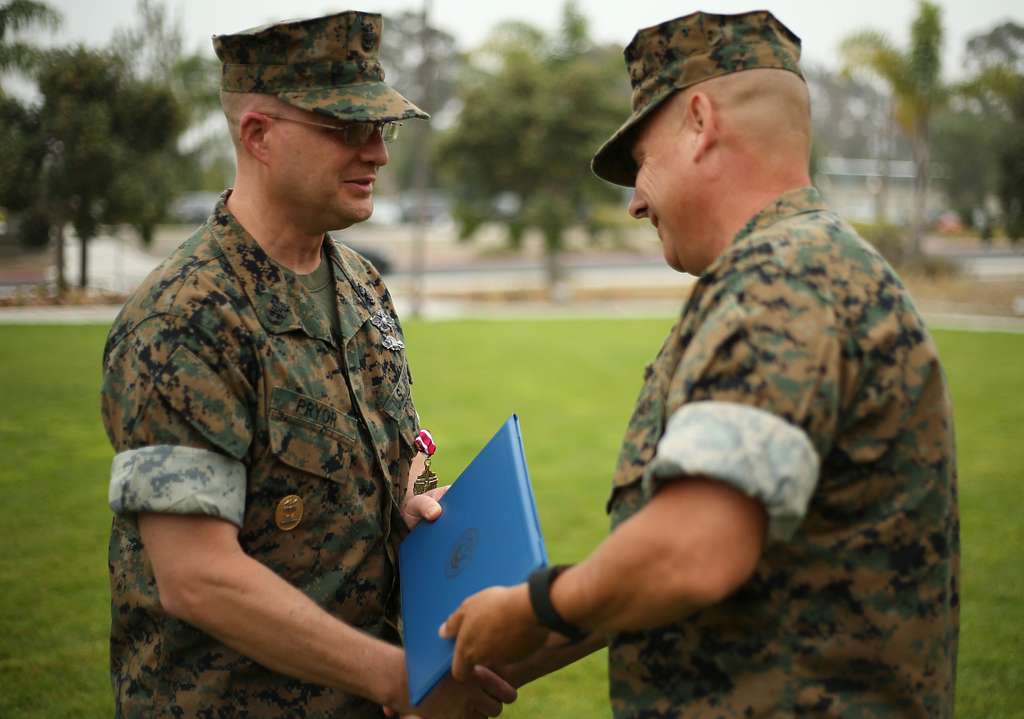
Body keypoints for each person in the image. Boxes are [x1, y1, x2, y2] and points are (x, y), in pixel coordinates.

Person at [440, 10, 960, 718]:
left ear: (699, 120)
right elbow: (683, 561)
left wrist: (532, 606)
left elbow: (691, 550)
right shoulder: (805, 266)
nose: (634, 202)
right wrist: (491, 656)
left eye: (641, 162)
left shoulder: (781, 280)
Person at [100, 11, 514, 719]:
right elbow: (197, 577)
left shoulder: (358, 282)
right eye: (347, 129)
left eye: (381, 128)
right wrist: (400, 677)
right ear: (258, 135)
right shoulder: (186, 317)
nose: (377, 154)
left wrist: (414, 499)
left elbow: (402, 443)